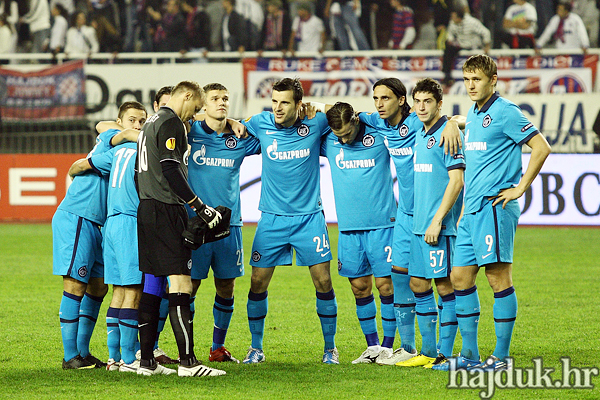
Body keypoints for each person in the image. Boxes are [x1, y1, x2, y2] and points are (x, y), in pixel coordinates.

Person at [434, 54, 551, 371]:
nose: (471, 85)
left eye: (477, 79)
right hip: (471, 210)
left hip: (495, 206)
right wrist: (450, 121)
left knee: (497, 277)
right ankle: (469, 355)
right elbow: (461, 122)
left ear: (493, 80)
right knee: (459, 277)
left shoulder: (506, 112)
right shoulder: (473, 113)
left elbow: (541, 147)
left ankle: (501, 357)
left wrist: (520, 187)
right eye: (467, 79)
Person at [240, 78, 339, 365]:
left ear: (299, 104)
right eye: (274, 102)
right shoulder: (260, 123)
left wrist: (318, 107)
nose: (277, 108)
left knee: (323, 281)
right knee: (257, 281)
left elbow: (347, 112)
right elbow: (230, 126)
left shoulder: (315, 123)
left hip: (309, 218)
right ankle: (255, 347)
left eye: (284, 102)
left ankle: (330, 348)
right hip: (271, 218)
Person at [136, 80, 226, 377]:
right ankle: (188, 363)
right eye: (196, 108)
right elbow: (171, 168)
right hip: (165, 208)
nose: (193, 116)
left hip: (146, 209)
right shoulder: (172, 122)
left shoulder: (150, 122)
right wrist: (199, 206)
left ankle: (146, 362)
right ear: (186, 96)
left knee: (151, 284)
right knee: (181, 284)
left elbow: (141, 173)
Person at [52, 103, 140, 370]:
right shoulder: (111, 140)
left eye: (141, 120)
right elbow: (110, 131)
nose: (136, 125)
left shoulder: (126, 153)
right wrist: (143, 132)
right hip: (78, 215)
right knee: (75, 286)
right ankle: (70, 356)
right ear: (119, 121)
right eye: (132, 120)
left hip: (99, 224)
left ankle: (83, 351)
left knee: (98, 287)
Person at [186, 83, 261, 363]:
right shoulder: (188, 132)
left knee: (226, 286)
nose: (221, 103)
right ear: (203, 105)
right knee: (188, 287)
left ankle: (217, 348)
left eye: (225, 99)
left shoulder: (239, 138)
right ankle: (186, 348)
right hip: (195, 224)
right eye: (215, 99)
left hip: (229, 225)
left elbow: (270, 131)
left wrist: (237, 123)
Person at [394, 78, 464, 369]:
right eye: (418, 101)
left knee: (446, 287)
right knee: (418, 283)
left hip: (439, 227)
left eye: (428, 102)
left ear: (439, 104)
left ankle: (445, 355)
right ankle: (428, 351)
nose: (422, 107)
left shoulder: (448, 135)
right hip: (418, 225)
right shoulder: (421, 134)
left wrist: (437, 221)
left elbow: (457, 180)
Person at [322, 102, 396, 364]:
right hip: (349, 228)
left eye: (346, 132)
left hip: (382, 225)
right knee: (359, 287)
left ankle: (389, 347)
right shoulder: (330, 140)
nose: (342, 138)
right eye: (337, 134)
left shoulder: (379, 135)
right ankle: (373, 347)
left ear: (355, 121)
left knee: (386, 286)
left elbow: (399, 122)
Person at [442, 7, 491, 86]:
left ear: (459, 18)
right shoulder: (452, 22)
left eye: (454, 17)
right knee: (448, 50)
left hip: (474, 45)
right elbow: (450, 33)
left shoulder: (472, 22)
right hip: (460, 44)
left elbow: (486, 32)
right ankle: (447, 76)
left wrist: (487, 46)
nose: (452, 18)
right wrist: (450, 40)